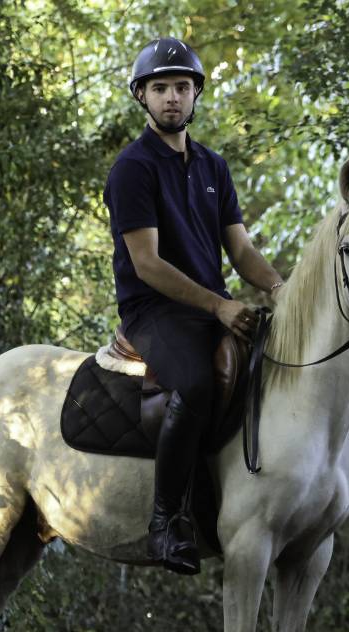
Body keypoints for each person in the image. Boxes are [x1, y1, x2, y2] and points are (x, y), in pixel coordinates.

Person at [103, 37, 286, 575]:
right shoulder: (133, 168)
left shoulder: (213, 167)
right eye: (160, 88)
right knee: (198, 384)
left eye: (182, 87)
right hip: (154, 311)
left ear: (195, 93)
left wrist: (280, 289)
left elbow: (241, 250)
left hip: (210, 308)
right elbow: (147, 264)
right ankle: (165, 523)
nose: (172, 97)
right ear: (141, 96)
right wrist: (219, 307)